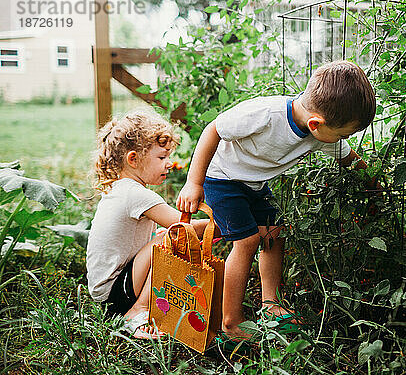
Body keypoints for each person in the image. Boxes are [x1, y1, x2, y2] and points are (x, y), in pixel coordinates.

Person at [176, 60, 377, 343]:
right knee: (246, 242)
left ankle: (270, 304)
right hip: (222, 178)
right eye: (344, 134)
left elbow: (350, 160)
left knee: (273, 234)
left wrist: (376, 187)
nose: (343, 140)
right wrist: (193, 182)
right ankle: (231, 322)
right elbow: (213, 130)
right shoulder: (264, 114)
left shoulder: (321, 132)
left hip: (254, 183)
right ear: (316, 124)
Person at [87, 110, 213, 339]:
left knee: (164, 234)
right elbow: (182, 227)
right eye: (161, 158)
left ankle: (144, 305)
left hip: (106, 292)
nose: (169, 164)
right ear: (133, 159)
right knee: (170, 237)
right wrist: (222, 226)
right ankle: (138, 311)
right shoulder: (136, 195)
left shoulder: (122, 188)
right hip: (115, 294)